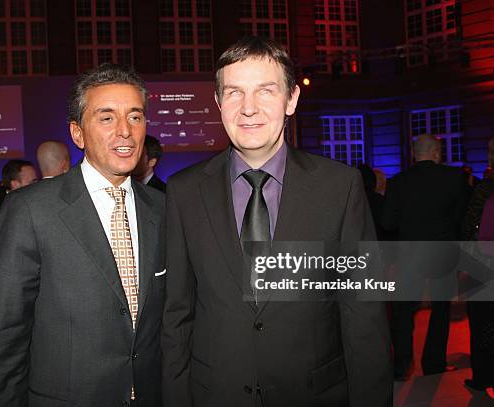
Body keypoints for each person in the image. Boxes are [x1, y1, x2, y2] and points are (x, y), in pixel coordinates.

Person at [162, 36, 392, 407]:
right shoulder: (184, 191)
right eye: (234, 93)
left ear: (292, 100)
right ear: (219, 102)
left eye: (265, 91)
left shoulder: (340, 186)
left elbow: (362, 312)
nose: (248, 108)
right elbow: (177, 315)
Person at [0, 64, 165, 406]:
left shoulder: (163, 208)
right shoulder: (31, 209)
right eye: (107, 118)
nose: (125, 131)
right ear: (78, 134)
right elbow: (5, 331)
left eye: (135, 117)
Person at [382, 134, 469, 380]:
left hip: (410, 254)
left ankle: (401, 366)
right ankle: (434, 364)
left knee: (403, 312)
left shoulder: (398, 182)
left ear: (414, 153)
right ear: (437, 153)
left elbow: (388, 223)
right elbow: (462, 217)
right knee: (441, 311)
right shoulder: (454, 178)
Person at [461, 136, 494, 394]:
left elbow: (470, 226)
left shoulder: (485, 188)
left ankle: (483, 375)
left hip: (484, 266)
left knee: (482, 322)